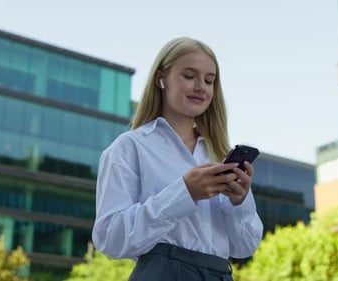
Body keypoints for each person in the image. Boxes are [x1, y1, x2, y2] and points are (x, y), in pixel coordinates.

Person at [92, 37, 263, 281]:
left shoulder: (218, 155)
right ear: (161, 78)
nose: (201, 87)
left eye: (209, 80)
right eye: (189, 76)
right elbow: (109, 238)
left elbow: (245, 247)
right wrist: (185, 193)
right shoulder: (130, 147)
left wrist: (240, 202)